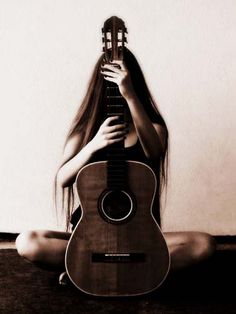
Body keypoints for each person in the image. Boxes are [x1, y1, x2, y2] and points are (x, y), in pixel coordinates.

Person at [15, 47, 216, 276]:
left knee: (204, 244)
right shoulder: (85, 131)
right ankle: (135, 272)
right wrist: (94, 144)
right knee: (27, 241)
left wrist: (129, 94)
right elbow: (63, 179)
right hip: (90, 238)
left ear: (133, 82)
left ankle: (88, 270)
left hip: (140, 237)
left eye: (123, 83)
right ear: (101, 86)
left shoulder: (154, 129)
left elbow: (153, 152)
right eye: (113, 83)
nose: (117, 91)